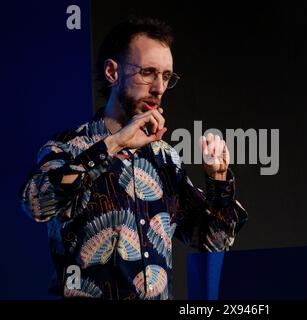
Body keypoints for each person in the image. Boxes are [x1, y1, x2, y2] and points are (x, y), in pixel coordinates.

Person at [19, 17, 248, 300]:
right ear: (112, 72)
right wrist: (114, 143)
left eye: (166, 76)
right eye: (148, 72)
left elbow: (215, 241)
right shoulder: (69, 146)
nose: (159, 88)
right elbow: (37, 204)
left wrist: (218, 178)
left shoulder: (165, 158)